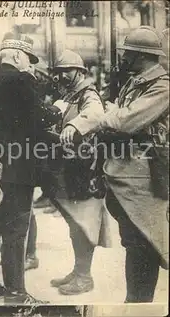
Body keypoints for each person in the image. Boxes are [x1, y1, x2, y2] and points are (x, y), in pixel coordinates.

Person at [61, 26, 169, 303]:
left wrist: (103, 116)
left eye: (126, 53)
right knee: (133, 242)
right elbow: (119, 114)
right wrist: (112, 113)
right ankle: (135, 300)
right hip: (125, 175)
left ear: (140, 56)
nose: (122, 58)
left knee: (144, 243)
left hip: (144, 179)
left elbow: (126, 120)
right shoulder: (137, 82)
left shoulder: (162, 86)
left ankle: (138, 302)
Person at [0, 33, 56, 304]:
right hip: (19, 168)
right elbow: (38, 122)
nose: (29, 66)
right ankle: (16, 292)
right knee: (16, 230)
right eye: (27, 60)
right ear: (16, 56)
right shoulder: (23, 81)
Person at [47, 50, 112, 295]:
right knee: (76, 223)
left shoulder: (88, 95)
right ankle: (79, 271)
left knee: (84, 223)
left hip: (86, 170)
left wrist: (74, 124)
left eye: (66, 71)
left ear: (80, 72)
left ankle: (84, 277)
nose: (61, 76)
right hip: (74, 168)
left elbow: (96, 114)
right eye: (59, 72)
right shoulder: (73, 95)